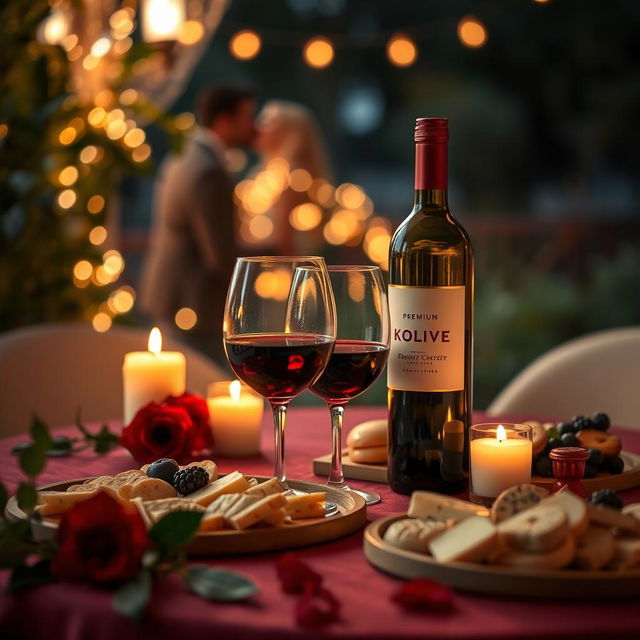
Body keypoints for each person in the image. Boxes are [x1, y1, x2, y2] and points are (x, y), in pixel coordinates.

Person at [139, 85, 256, 362]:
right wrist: (274, 258)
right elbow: (220, 255)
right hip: (194, 304)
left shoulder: (186, 153)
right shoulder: (209, 172)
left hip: (172, 296)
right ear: (225, 122)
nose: (253, 127)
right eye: (247, 118)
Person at [245, 100, 333, 255]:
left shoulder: (293, 177)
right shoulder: (267, 173)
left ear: (289, 133)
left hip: (277, 273)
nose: (257, 126)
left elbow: (283, 242)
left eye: (267, 121)